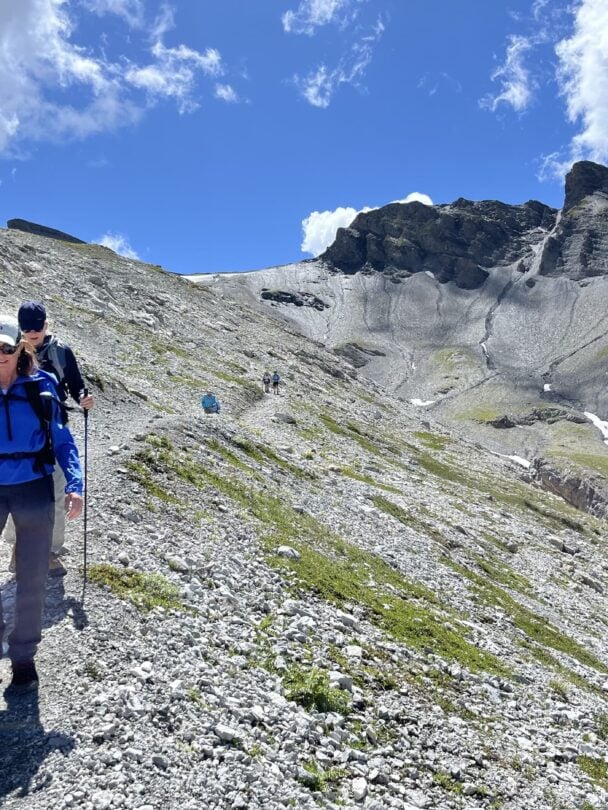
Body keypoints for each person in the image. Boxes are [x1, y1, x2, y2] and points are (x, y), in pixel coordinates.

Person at [0, 314, 83, 693]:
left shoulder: (41, 385)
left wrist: (74, 484)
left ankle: (23, 658)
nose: (0, 354)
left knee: (32, 574)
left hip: (33, 484)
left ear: (20, 347)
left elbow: (62, 440)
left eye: (6, 347)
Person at [4, 301, 93, 577]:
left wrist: (83, 398)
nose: (33, 332)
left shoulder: (61, 352)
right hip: (21, 433)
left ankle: (50, 551)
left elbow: (75, 383)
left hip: (52, 425)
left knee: (55, 490)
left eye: (38, 326)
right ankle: (19, 549)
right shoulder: (10, 350)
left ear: (46, 324)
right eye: (26, 327)